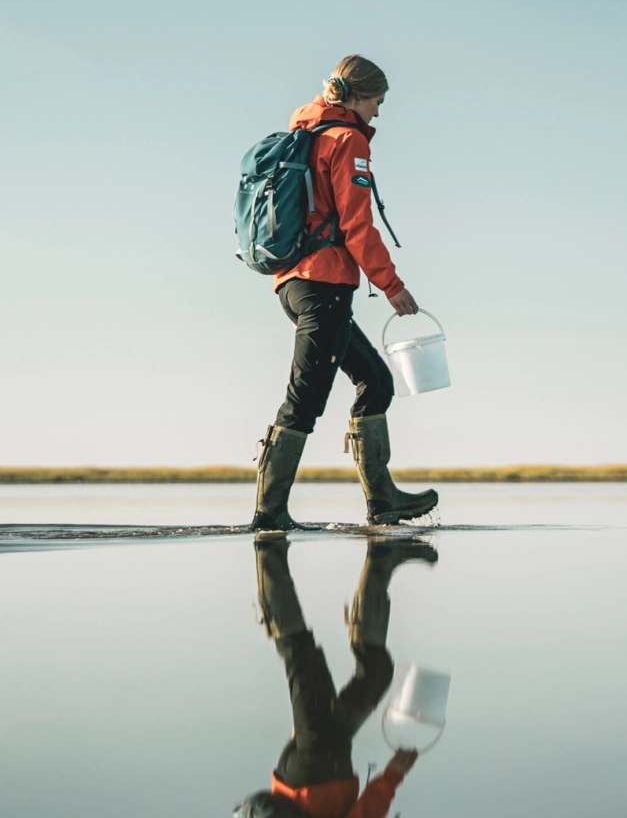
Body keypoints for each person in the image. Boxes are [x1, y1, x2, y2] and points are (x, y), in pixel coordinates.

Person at [250, 55, 439, 531]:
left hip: (294, 284)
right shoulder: (346, 139)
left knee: (376, 382)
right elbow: (357, 226)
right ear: (357, 97)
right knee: (305, 399)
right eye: (377, 100)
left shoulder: (306, 133)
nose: (378, 110)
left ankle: (383, 501)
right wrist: (392, 286)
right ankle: (268, 515)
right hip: (324, 285)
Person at [233, 534, 438, 818]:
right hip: (325, 757)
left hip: (314, 769)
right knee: (375, 674)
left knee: (302, 658)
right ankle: (381, 561)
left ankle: (268, 552)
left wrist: (393, 775)